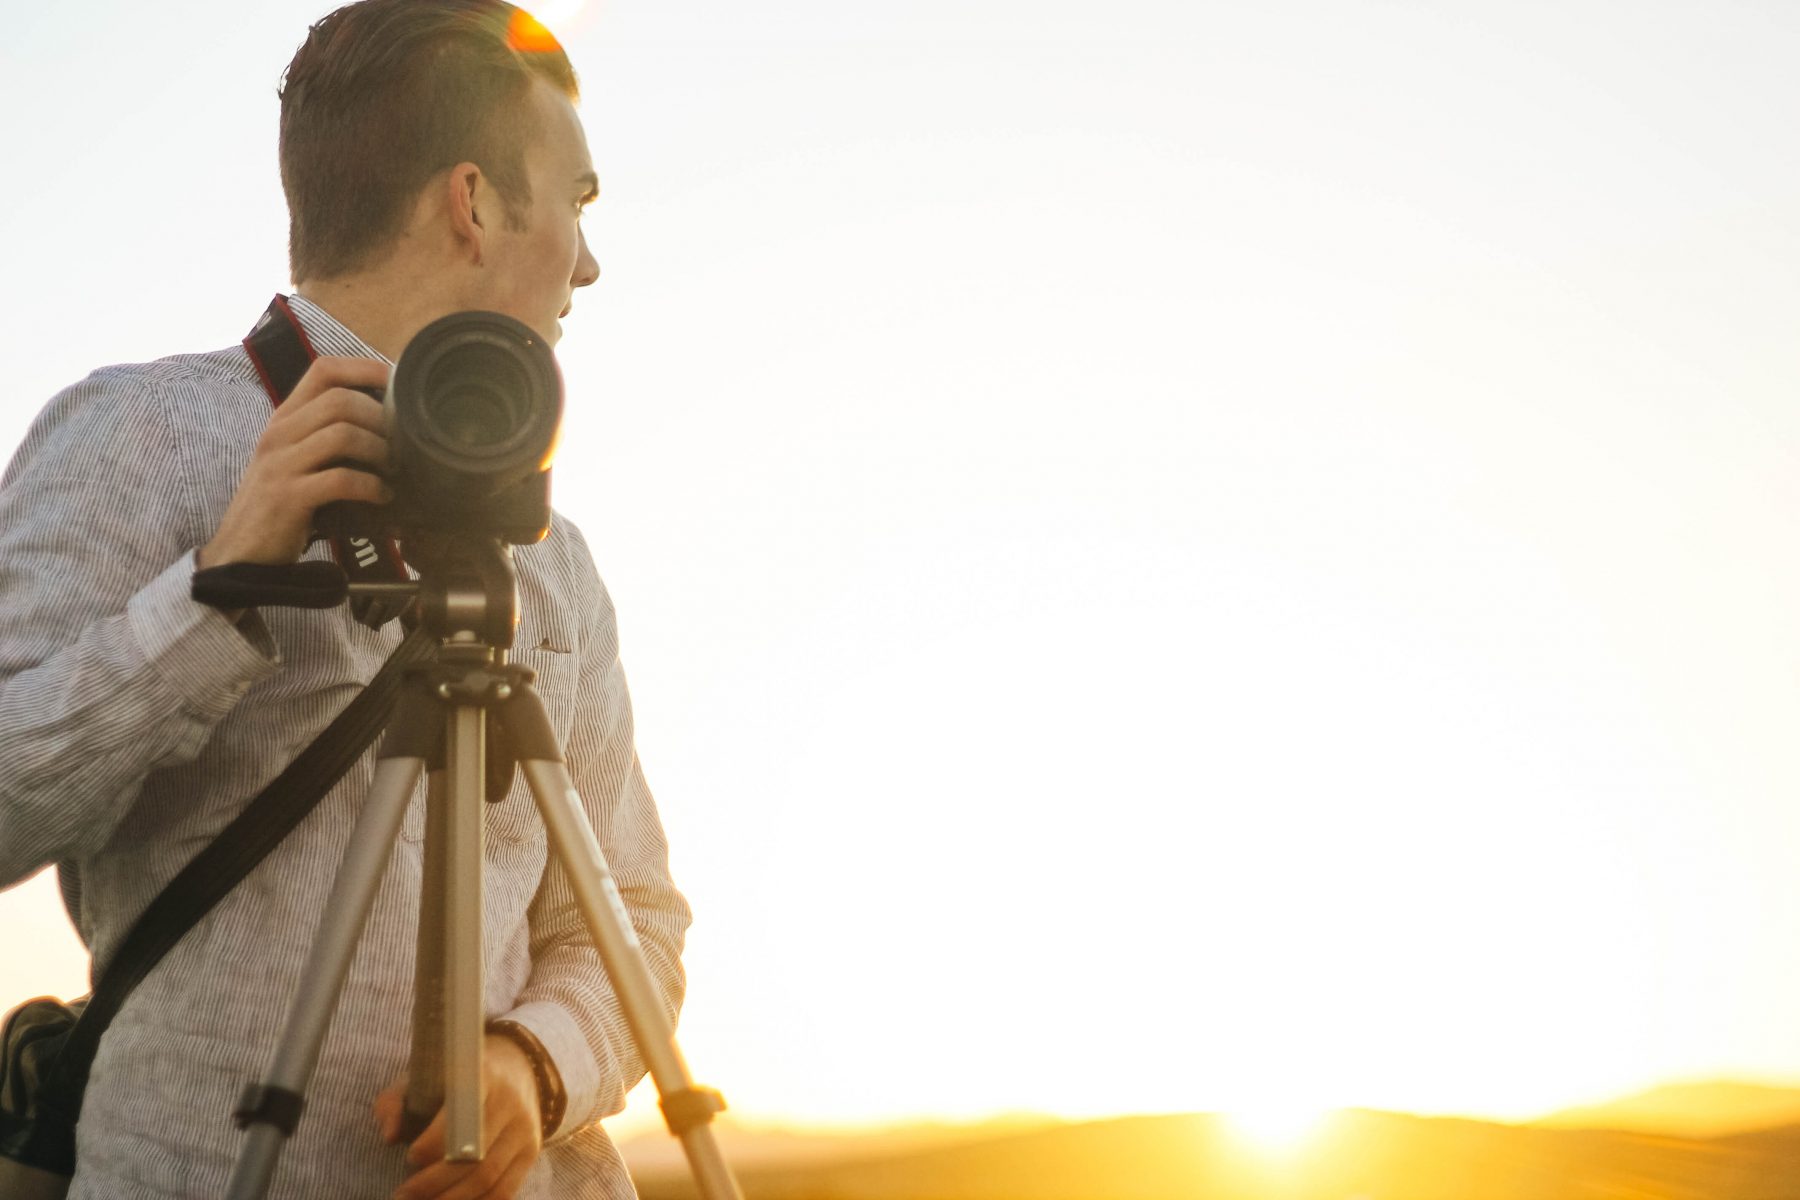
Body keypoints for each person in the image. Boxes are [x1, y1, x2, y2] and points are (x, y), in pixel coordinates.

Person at [0, 2, 690, 1197]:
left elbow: (637, 919)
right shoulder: (137, 438)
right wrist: (215, 599)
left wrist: (534, 1063)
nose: (588, 260)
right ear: (472, 202)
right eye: (577, 203)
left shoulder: (553, 557)